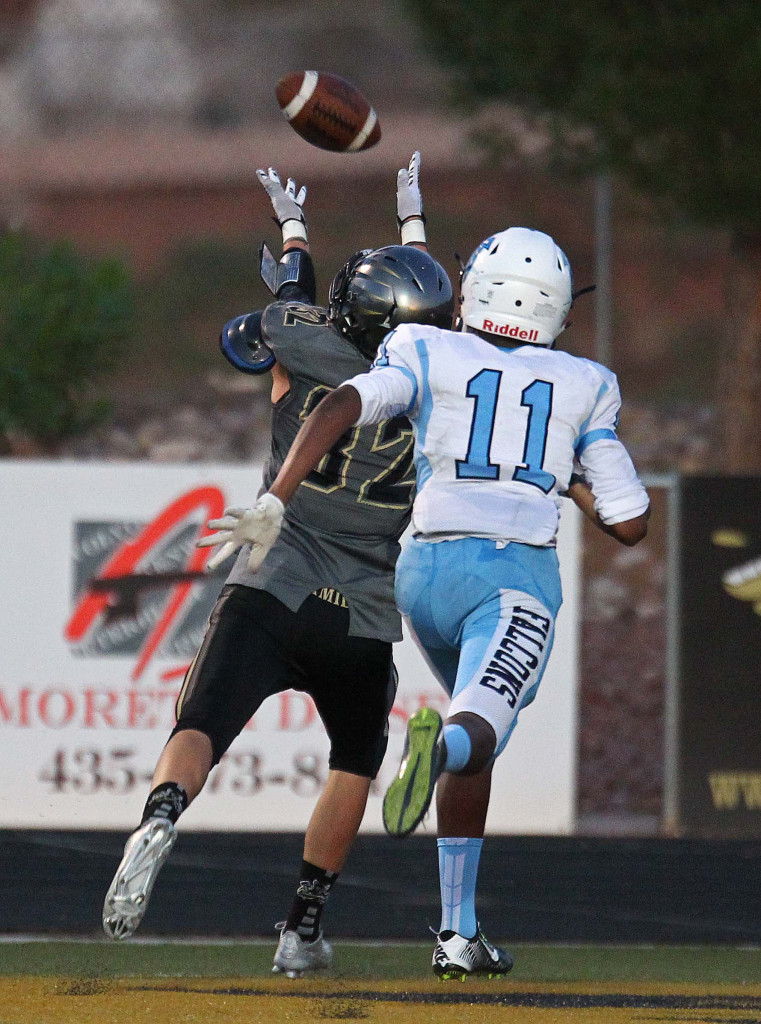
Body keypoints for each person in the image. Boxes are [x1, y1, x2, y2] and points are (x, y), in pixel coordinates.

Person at [207, 225, 651, 980]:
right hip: (510, 579)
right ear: (553, 308)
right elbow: (631, 522)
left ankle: (458, 932)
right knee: (470, 735)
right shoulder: (586, 382)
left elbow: (342, 403)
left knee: (478, 741)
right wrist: (563, 467)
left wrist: (277, 496)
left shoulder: (424, 348)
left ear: (473, 288)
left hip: (422, 576)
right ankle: (434, 749)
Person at [102, 153, 454, 979]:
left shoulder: (306, 347)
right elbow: (428, 314)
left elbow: (291, 309)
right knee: (355, 762)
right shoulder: (452, 379)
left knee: (198, 726)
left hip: (274, 578)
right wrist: (414, 229)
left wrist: (294, 231)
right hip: (364, 607)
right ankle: (301, 927)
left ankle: (161, 813)